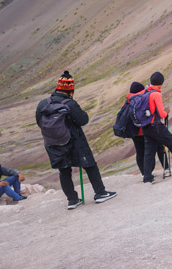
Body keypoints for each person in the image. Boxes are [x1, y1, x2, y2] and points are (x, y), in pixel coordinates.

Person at [36, 71, 116, 209]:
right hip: (74, 142)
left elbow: (39, 121)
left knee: (64, 171)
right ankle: (100, 193)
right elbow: (83, 120)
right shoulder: (70, 104)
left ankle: (72, 200)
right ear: (70, 89)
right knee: (90, 165)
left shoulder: (43, 104)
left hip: (53, 144)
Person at [127, 81, 168, 178]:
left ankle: (144, 174)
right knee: (159, 147)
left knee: (140, 152)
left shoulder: (128, 101)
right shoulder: (144, 97)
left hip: (135, 132)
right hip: (148, 128)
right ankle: (166, 168)